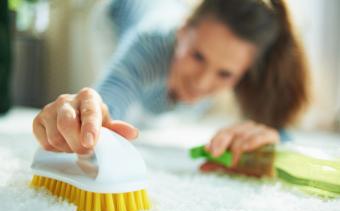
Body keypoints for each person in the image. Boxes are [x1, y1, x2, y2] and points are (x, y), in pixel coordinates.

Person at [32, 0, 309, 171]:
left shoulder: (240, 63)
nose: (202, 83)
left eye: (224, 74)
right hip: (115, 13)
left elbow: (281, 136)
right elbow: (108, 102)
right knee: (128, 121)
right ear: (182, 33)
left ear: (244, 73)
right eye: (198, 56)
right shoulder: (150, 46)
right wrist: (84, 114)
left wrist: (268, 138)